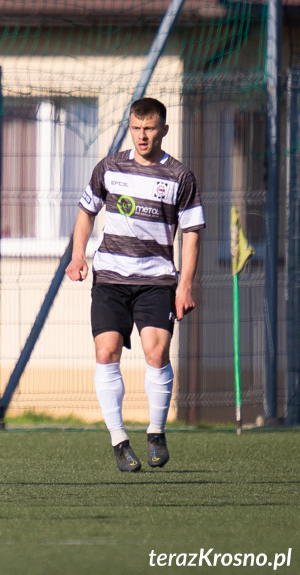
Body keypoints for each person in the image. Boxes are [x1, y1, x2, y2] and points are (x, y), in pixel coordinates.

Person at [65, 97, 204, 472]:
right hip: (110, 277)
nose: (142, 136)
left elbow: (191, 232)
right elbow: (86, 211)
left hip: (157, 279)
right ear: (130, 127)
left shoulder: (179, 177)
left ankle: (156, 433)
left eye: (149, 128)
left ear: (163, 130)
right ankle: (119, 442)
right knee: (106, 351)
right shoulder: (109, 168)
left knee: (155, 352)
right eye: (136, 128)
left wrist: (185, 286)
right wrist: (78, 255)